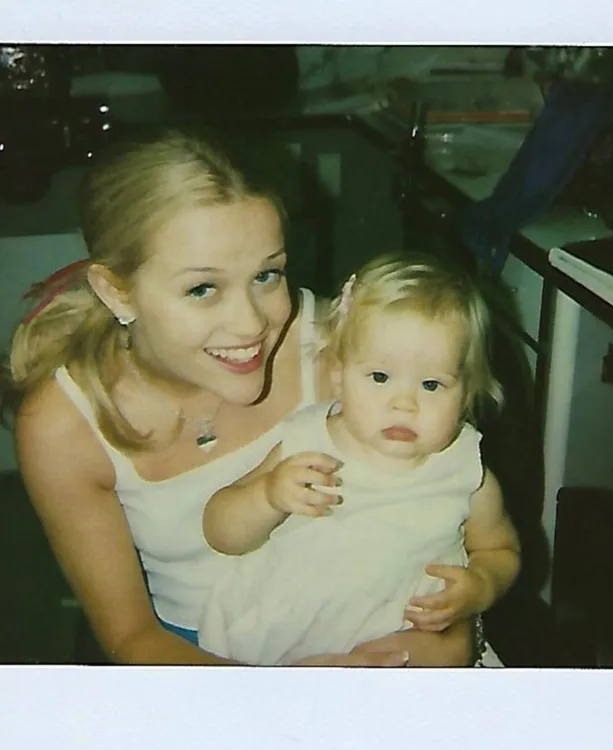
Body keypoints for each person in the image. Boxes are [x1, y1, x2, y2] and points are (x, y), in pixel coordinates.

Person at [1, 126, 513, 666]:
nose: (251, 324)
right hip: (203, 666)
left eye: (267, 275)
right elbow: (132, 638)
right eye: (202, 288)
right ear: (116, 291)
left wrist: (455, 637)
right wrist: (276, 695)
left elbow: (449, 513)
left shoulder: (342, 352)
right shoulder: (65, 425)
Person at [199, 253, 521, 666]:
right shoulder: (307, 441)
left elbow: (500, 549)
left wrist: (481, 586)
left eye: (431, 384)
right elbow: (220, 532)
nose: (404, 404)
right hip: (288, 647)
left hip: (403, 653)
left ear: (466, 394)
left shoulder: (464, 470)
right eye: (380, 377)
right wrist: (266, 496)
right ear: (338, 375)